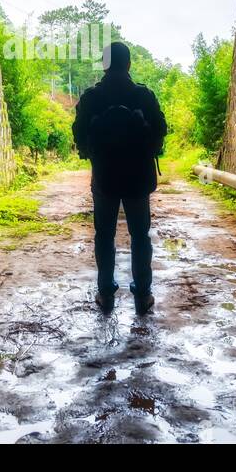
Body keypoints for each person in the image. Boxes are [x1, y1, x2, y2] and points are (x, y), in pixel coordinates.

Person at [72, 41, 168, 314]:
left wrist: (89, 149)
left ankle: (105, 293)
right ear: (128, 64)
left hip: (105, 177)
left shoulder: (92, 97)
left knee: (104, 235)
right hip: (138, 178)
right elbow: (161, 128)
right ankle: (143, 293)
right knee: (140, 235)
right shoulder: (143, 95)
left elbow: (78, 133)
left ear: (105, 64)